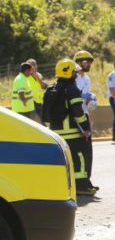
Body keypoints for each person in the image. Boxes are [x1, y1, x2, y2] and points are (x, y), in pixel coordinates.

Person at [43, 59, 97, 196]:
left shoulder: (50, 90)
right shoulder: (71, 89)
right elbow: (78, 112)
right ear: (68, 73)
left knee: (61, 162)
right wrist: (86, 128)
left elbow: (44, 114)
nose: (76, 74)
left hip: (55, 134)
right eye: (74, 72)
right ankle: (81, 187)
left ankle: (61, 187)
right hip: (72, 133)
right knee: (79, 159)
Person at [74, 50, 98, 190]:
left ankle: (86, 181)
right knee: (80, 151)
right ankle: (80, 184)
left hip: (84, 115)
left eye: (90, 61)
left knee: (88, 150)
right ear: (79, 62)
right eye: (86, 61)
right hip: (76, 118)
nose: (89, 64)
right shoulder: (73, 77)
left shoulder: (87, 79)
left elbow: (86, 100)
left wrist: (90, 100)